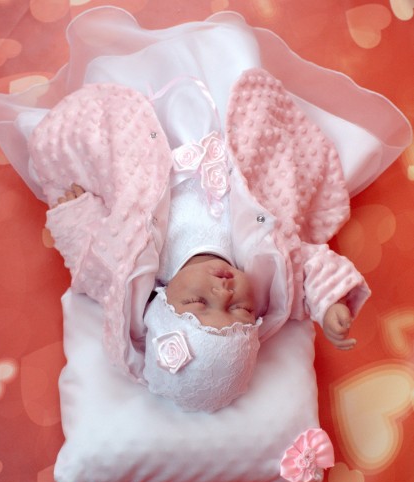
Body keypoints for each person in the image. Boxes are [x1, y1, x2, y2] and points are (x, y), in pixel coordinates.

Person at [31, 71, 370, 413]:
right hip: (227, 132)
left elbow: (90, 261)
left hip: (153, 144)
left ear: (161, 304)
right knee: (238, 81)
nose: (223, 293)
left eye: (198, 303)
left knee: (89, 132)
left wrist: (74, 213)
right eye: (241, 309)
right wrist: (330, 304)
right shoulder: (265, 269)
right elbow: (306, 270)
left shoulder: (138, 267)